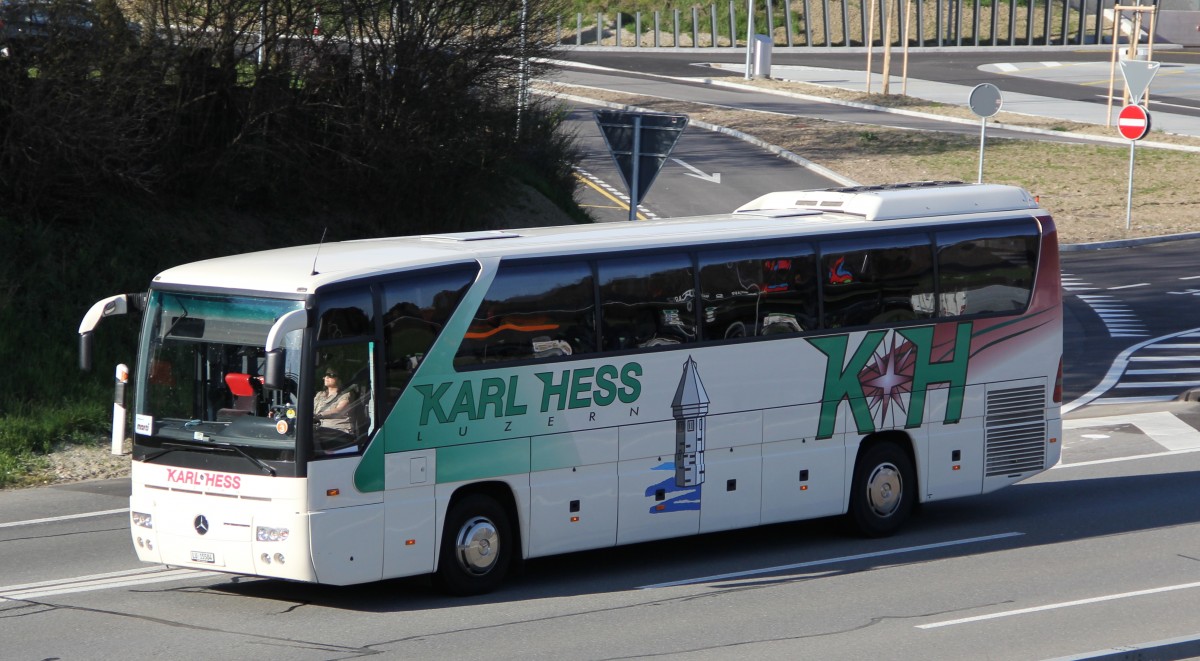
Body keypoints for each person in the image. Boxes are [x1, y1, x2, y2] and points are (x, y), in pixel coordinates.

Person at [313, 367, 356, 451]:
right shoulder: (320, 394)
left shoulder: (347, 394)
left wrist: (319, 416)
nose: (327, 377)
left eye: (331, 375)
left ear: (339, 379)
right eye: (326, 375)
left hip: (340, 433)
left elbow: (338, 411)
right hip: (321, 432)